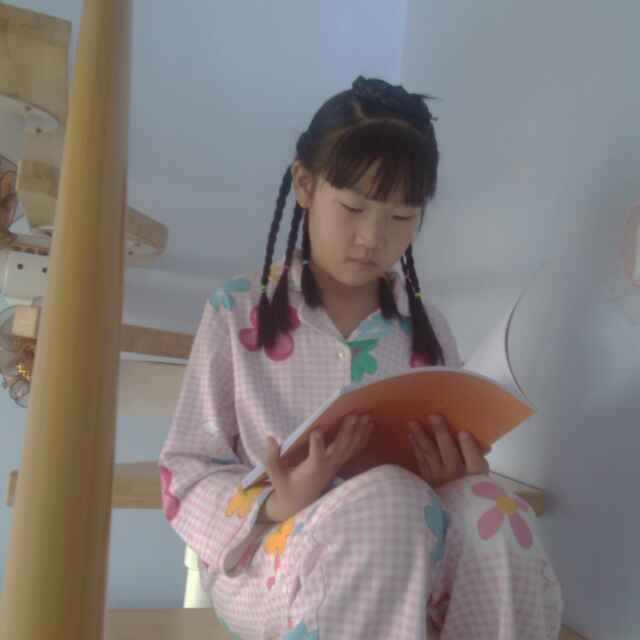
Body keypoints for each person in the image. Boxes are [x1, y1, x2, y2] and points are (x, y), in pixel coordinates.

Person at [158, 76, 563, 639]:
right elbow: (186, 468)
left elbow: (448, 473)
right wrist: (276, 501)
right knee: (387, 503)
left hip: (411, 544)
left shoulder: (426, 328)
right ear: (305, 184)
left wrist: (458, 472)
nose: (373, 237)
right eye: (353, 207)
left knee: (496, 511)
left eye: (401, 218)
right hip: (275, 558)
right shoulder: (237, 311)